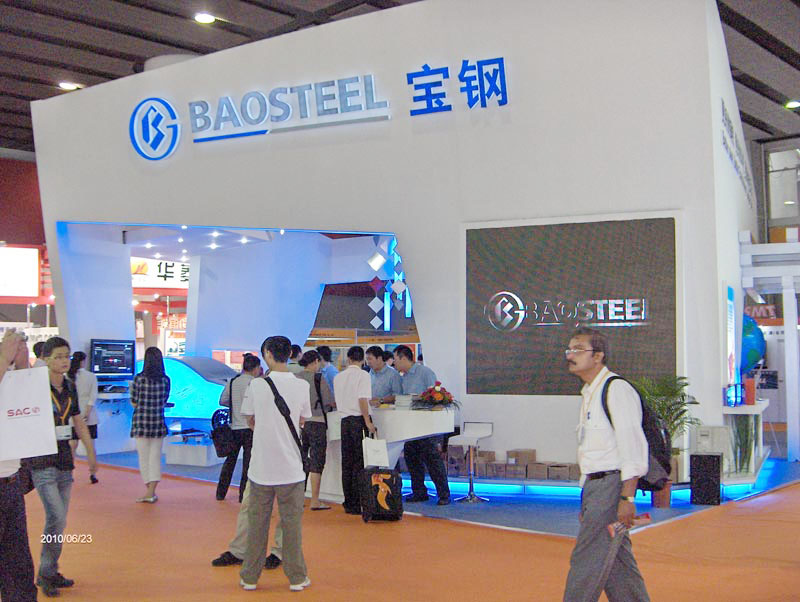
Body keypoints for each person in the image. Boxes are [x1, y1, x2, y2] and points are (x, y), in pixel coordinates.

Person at [563, 327, 650, 602]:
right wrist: (586, 498)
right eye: (569, 349)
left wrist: (627, 497)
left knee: (586, 560)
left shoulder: (616, 389)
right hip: (596, 487)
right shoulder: (590, 392)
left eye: (579, 349)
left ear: (598, 356)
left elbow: (633, 447)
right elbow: (591, 452)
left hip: (611, 487)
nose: (570, 355)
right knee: (618, 565)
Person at [25, 336, 98, 598]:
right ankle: (46, 573)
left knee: (59, 519)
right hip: (42, 459)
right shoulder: (35, 387)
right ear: (45, 359)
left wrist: (90, 452)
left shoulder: (69, 386)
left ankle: (50, 569)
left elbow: (77, 420)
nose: (64, 361)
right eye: (58, 357)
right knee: (56, 516)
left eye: (66, 356)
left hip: (64, 460)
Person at [239, 336, 311, 592]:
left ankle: (249, 577)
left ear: (268, 354)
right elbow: (303, 419)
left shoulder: (257, 385)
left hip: (261, 468)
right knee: (292, 527)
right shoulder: (302, 385)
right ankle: (297, 577)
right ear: (290, 354)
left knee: (257, 525)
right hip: (291, 468)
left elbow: (249, 418)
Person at [0, 329, 38, 602]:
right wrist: (4, 358)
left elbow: (28, 405)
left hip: (10, 482)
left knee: (18, 565)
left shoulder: (9, 373)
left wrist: (22, 365)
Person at [394, 345, 450, 505]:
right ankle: (419, 492)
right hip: (410, 425)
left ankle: (444, 494)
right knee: (412, 459)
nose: (394, 363)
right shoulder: (403, 377)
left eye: (396, 359)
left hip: (426, 426)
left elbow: (435, 395)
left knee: (432, 460)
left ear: (403, 358)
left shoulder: (425, 372)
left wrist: (419, 397)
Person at [333, 346, 375, 515]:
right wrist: (367, 421)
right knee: (359, 462)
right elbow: (362, 399)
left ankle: (348, 501)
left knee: (347, 462)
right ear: (362, 360)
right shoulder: (364, 375)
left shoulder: (338, 377)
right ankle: (358, 501)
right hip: (359, 421)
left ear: (348, 359)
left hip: (344, 422)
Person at [216, 353, 262, 502]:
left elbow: (222, 400)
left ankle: (220, 493)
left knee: (230, 461)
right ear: (256, 368)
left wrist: (235, 404)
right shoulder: (256, 383)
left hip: (234, 427)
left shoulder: (232, 381)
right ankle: (243, 495)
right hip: (251, 428)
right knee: (248, 463)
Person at [294, 349, 335, 510]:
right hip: (317, 422)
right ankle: (315, 500)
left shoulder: (296, 378)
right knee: (317, 460)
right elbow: (329, 400)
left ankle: (298, 498)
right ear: (316, 361)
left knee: (301, 460)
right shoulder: (319, 378)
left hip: (300, 424)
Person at [130, 346, 170, 503]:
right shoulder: (166, 380)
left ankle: (149, 490)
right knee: (155, 457)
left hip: (141, 422)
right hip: (158, 423)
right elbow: (164, 400)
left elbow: (134, 402)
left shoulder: (138, 379)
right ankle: (151, 491)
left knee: (144, 457)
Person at [67, 351, 99, 484]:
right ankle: (93, 474)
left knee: (71, 446)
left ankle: (69, 473)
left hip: (72, 416)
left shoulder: (67, 376)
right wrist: (87, 413)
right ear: (84, 361)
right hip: (89, 416)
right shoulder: (91, 376)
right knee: (90, 446)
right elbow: (93, 397)